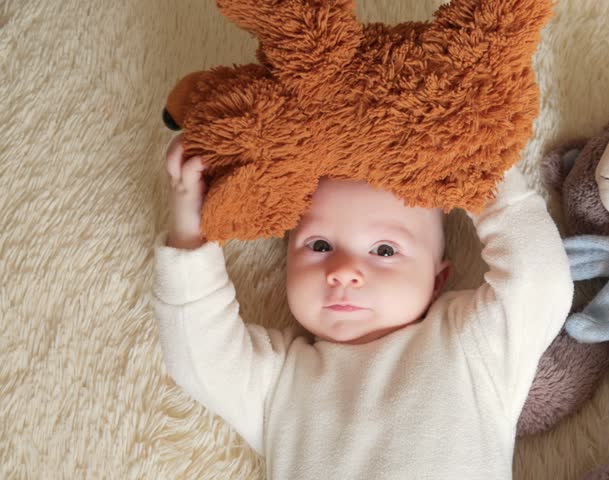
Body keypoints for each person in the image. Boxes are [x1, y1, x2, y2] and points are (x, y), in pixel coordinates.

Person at [151, 133, 574, 479]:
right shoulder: (280, 379)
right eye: (319, 245)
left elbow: (540, 281)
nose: (344, 270)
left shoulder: (466, 341)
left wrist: (481, 174)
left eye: (385, 250)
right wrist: (191, 237)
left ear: (437, 280)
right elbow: (200, 356)